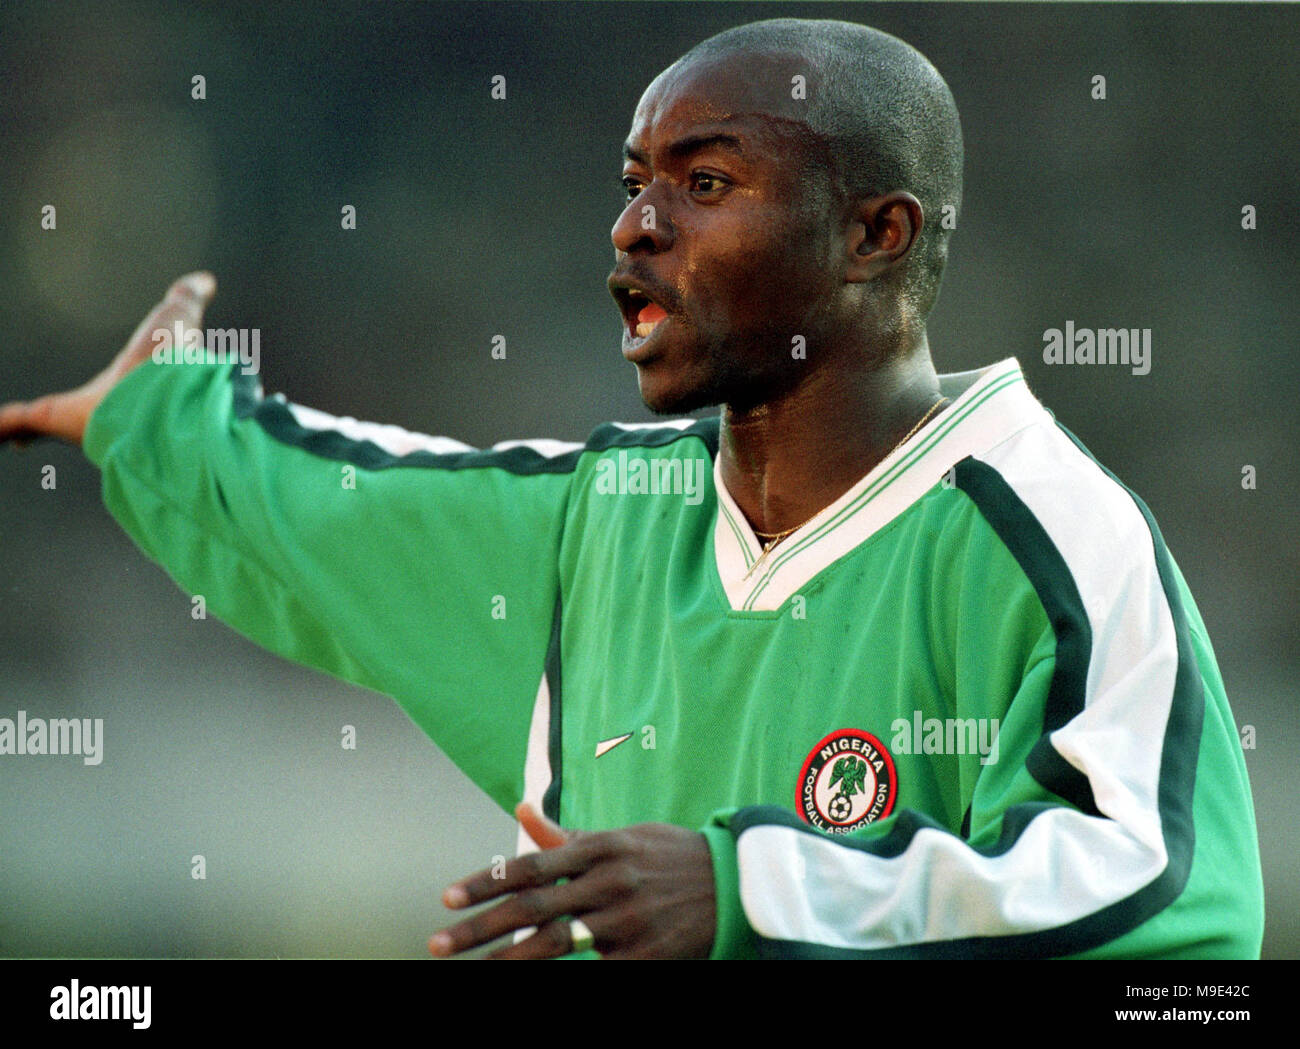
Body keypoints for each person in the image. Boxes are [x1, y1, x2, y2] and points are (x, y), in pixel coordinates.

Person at [0, 18, 1264, 960]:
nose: (634, 226)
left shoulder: (1046, 529)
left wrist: (747, 890)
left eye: (702, 185)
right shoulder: (595, 516)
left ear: (874, 234)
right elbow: (324, 502)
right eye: (633, 185)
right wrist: (153, 410)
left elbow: (1163, 897)